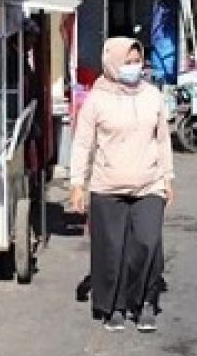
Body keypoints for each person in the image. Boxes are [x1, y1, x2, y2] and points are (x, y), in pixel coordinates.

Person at [69, 37, 175, 332]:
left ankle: (144, 302)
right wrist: (77, 183)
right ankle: (112, 306)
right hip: (107, 186)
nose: (133, 67)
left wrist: (168, 177)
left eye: (137, 61)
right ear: (112, 62)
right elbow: (82, 144)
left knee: (147, 243)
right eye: (127, 62)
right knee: (111, 249)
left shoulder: (152, 95)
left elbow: (163, 139)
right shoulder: (97, 99)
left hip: (149, 184)